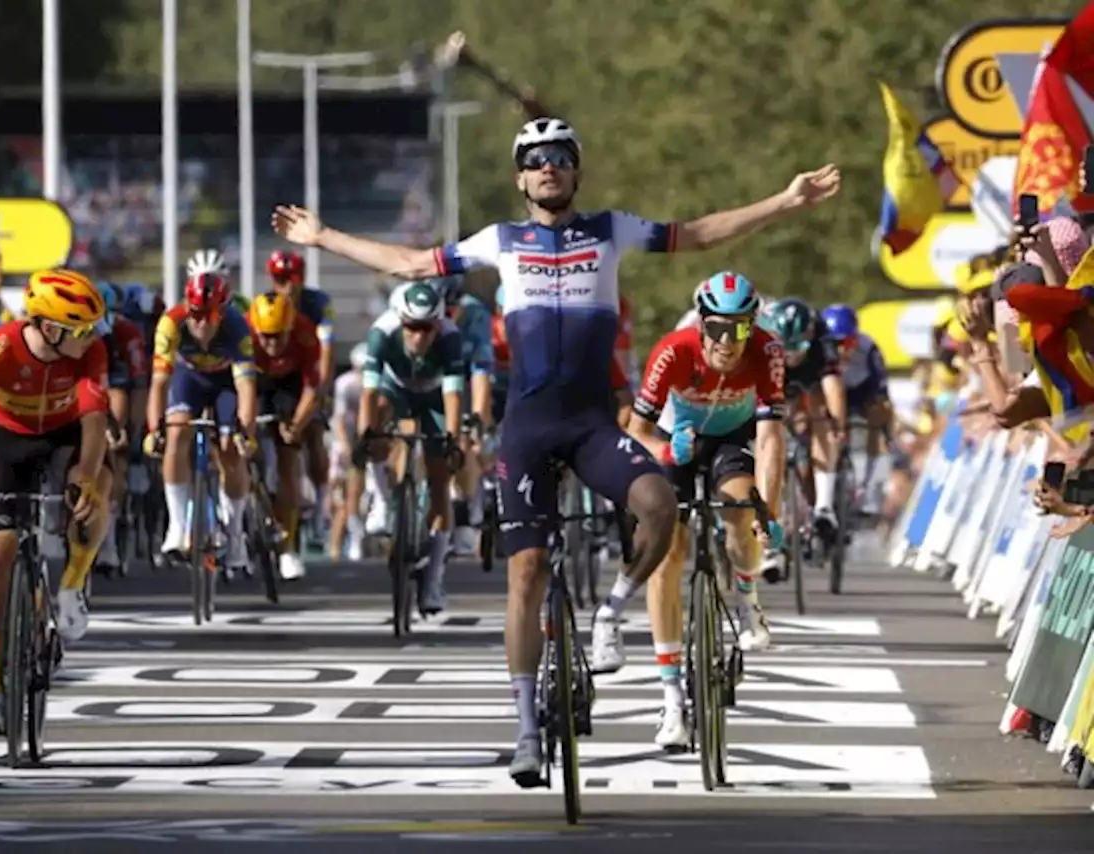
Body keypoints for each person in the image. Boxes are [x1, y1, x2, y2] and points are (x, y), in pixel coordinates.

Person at [271, 115, 840, 786]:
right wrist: (321, 237)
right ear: (520, 177)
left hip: (593, 424)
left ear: (576, 171)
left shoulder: (610, 229)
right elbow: (409, 263)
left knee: (659, 503)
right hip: (529, 427)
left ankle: (610, 614)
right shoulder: (500, 240)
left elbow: (701, 233)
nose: (548, 166)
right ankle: (526, 730)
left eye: (560, 157)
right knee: (526, 572)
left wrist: (785, 200)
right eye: (535, 159)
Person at [0, 269, 112, 737]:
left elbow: (95, 421)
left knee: (98, 484)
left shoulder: (91, 352)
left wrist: (86, 475)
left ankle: (72, 583)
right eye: (82, 328)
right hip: (9, 440)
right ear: (52, 328)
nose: (93, 336)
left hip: (65, 433)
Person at [628, 271, 786, 749]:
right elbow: (634, 431)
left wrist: (769, 514)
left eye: (740, 329)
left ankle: (746, 597)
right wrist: (666, 450)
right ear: (701, 323)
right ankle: (672, 699)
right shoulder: (673, 350)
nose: (728, 341)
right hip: (677, 438)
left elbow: (771, 437)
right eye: (718, 328)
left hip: (732, 438)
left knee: (739, 507)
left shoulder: (767, 351)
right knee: (665, 555)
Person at [353, 279, 465, 613]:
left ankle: (433, 580)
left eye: (426, 328)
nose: (419, 336)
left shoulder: (450, 337)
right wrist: (365, 437)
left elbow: (454, 395)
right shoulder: (381, 332)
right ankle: (382, 502)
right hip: (395, 388)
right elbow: (369, 395)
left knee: (440, 483)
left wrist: (453, 441)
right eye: (412, 328)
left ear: (437, 324)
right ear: (401, 322)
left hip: (433, 395)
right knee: (375, 429)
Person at [145, 269, 257, 575]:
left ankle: (235, 536)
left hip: (225, 383)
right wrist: (155, 430)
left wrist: (245, 431)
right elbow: (158, 383)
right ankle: (177, 526)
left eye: (209, 316)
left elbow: (246, 388)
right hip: (189, 377)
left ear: (222, 312)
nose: (200, 323)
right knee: (176, 431)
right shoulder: (171, 323)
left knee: (229, 450)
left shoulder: (238, 327)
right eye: (195, 314)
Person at [757, 297, 845, 581]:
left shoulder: (820, 336)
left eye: (799, 348)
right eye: (788, 349)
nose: (793, 355)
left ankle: (824, 507)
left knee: (823, 414)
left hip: (810, 379)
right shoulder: (760, 337)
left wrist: (837, 428)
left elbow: (833, 387)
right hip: (769, 374)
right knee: (769, 440)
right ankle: (772, 536)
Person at [246, 290, 324, 581]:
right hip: (254, 382)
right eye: (265, 336)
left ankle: (288, 548)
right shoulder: (246, 336)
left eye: (278, 336)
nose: (271, 344)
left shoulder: (305, 335)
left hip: (290, 386)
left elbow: (312, 390)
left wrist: (295, 426)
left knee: (288, 459)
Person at [266, 249, 336, 542]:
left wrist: (322, 391)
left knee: (314, 433)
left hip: (306, 372)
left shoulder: (318, 304)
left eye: (294, 278)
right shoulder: (264, 306)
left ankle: (321, 504)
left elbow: (327, 352)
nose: (288, 286)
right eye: (281, 279)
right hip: (272, 376)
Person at [434, 274, 495, 555]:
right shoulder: (420, 312)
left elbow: (481, 373)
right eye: (441, 312)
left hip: (464, 379)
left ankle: (465, 505)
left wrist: (478, 422)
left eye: (451, 310)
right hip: (429, 378)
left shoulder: (476, 314)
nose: (447, 317)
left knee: (466, 439)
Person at [95, 281, 149, 576]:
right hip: (90, 381)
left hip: (119, 384)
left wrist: (136, 432)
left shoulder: (127, 333)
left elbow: (140, 386)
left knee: (119, 401)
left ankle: (109, 538)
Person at [822, 303, 891, 513]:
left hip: (860, 391)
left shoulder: (868, 348)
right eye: (836, 344)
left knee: (878, 416)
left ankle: (869, 485)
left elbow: (881, 392)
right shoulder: (818, 351)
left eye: (849, 342)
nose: (843, 350)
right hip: (828, 391)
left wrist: (882, 425)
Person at [328, 342, 369, 561]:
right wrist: (344, 444)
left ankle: (355, 537)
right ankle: (335, 546)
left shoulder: (375, 384)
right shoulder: (345, 384)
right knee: (338, 500)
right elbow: (340, 419)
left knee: (354, 494)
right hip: (342, 440)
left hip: (363, 442)